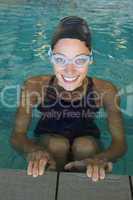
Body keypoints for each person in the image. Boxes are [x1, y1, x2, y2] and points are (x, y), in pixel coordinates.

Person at [11, 16, 127, 182]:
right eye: (60, 59)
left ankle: (85, 181)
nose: (70, 70)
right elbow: (18, 134)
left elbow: (119, 142)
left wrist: (103, 158)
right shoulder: (34, 85)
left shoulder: (105, 90)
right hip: (48, 143)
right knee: (57, 145)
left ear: (91, 58)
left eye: (80, 60)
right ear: (50, 56)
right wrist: (33, 150)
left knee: (85, 146)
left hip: (88, 144)